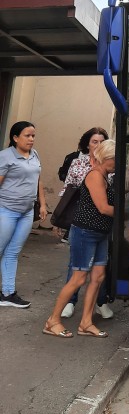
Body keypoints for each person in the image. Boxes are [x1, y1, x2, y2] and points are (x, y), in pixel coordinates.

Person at [43, 139, 116, 338]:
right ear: (106, 158)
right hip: (85, 233)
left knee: (98, 277)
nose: (117, 163)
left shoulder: (104, 176)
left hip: (99, 233)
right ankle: (52, 321)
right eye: (115, 159)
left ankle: (85, 323)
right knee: (79, 278)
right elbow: (103, 208)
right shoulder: (94, 176)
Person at [58, 128, 114, 319]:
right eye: (94, 141)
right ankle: (60, 312)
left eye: (101, 141)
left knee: (98, 275)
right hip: (85, 226)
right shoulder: (90, 171)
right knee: (78, 274)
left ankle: (90, 316)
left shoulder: (108, 172)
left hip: (101, 228)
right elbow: (102, 206)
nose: (97, 145)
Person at [0, 121, 47, 308]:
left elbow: (39, 181)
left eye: (33, 135)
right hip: (6, 211)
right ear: (15, 137)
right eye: (27, 135)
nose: (31, 139)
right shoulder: (5, 157)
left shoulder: (34, 155)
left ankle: (8, 293)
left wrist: (42, 205)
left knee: (13, 252)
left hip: (26, 212)